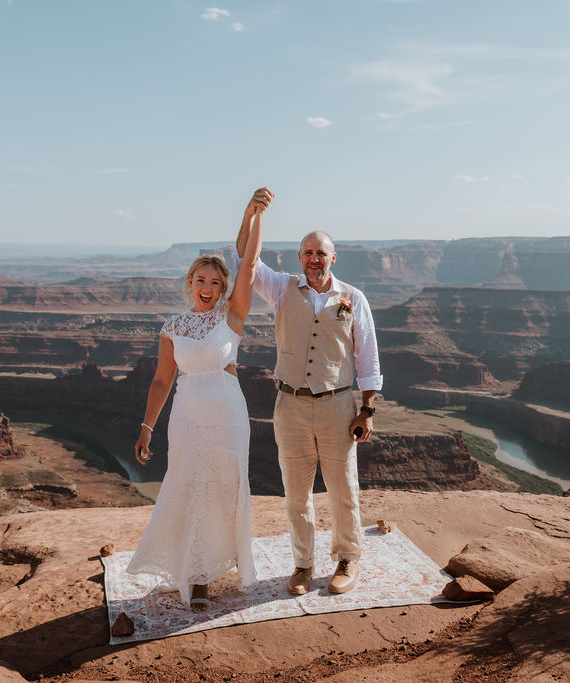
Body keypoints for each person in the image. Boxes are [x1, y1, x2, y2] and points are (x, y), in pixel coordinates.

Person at [127, 187, 273, 612]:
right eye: (200, 280)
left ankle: (219, 564)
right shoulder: (172, 327)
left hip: (228, 416)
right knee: (189, 489)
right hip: (187, 417)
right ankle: (196, 576)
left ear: (222, 287)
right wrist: (146, 426)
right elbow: (160, 381)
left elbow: (248, 262)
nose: (207, 287)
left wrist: (251, 214)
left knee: (224, 490)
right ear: (189, 283)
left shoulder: (233, 315)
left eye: (215, 282)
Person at [235, 206, 382, 596]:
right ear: (299, 259)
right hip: (291, 405)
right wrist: (251, 214)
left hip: (338, 404)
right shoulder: (282, 288)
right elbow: (243, 258)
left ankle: (347, 559)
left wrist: (367, 410)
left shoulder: (353, 298)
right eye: (307, 253)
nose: (314, 259)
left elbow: (367, 357)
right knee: (296, 493)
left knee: (342, 489)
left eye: (321, 253)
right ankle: (303, 565)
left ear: (333, 258)